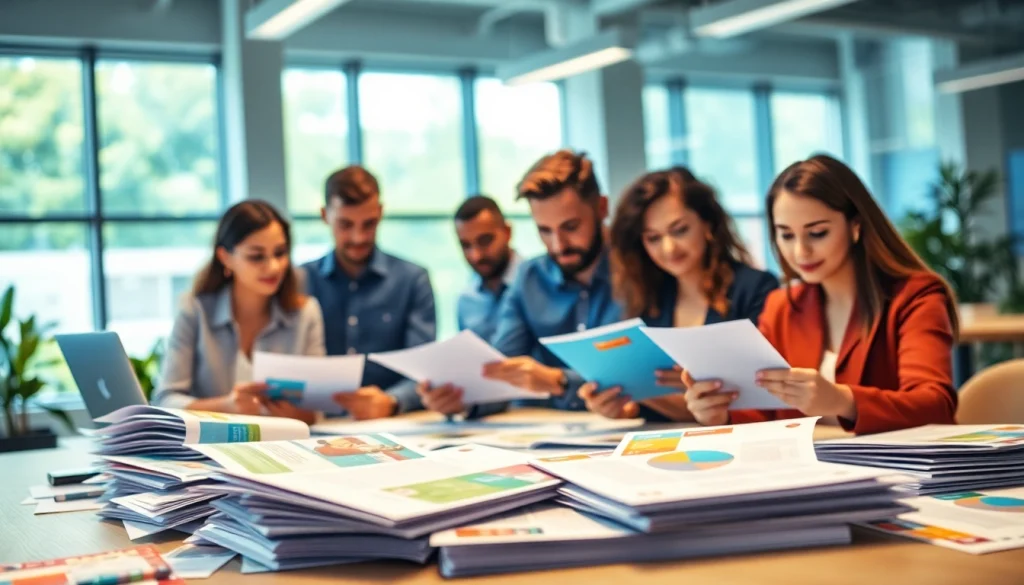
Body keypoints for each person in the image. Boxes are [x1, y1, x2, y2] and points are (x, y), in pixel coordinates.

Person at [684, 154, 959, 434]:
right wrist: (720, 415)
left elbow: (935, 406)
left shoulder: (916, 296)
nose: (801, 252)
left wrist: (843, 400)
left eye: (817, 233)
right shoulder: (782, 306)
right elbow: (765, 413)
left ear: (856, 226)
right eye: (787, 235)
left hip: (902, 468)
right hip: (810, 469)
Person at [417, 150, 619, 416]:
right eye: (544, 230)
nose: (558, 245)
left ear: (602, 208)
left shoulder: (640, 271)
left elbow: (649, 377)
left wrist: (558, 381)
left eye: (570, 227)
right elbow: (500, 368)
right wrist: (463, 400)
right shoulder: (529, 278)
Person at [580, 167, 779, 421]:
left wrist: (655, 395)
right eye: (653, 238)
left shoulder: (755, 288)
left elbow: (762, 397)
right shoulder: (649, 295)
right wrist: (624, 407)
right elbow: (651, 399)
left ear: (707, 223)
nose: (669, 248)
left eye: (679, 230)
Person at [152, 200, 325, 424]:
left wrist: (295, 412)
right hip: (211, 447)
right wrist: (226, 407)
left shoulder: (305, 313)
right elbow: (164, 401)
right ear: (225, 257)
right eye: (256, 256)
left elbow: (318, 410)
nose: (273, 267)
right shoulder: (195, 311)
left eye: (280, 253)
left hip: (283, 446)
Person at [302, 165, 436, 420]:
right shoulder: (300, 281)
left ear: (381, 213)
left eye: (369, 223)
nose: (358, 237)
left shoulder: (412, 280)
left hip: (393, 421)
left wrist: (392, 401)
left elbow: (422, 371)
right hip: (315, 421)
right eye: (345, 224)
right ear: (324, 215)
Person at [453, 195, 521, 342]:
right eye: (466, 245)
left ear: (507, 232)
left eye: (485, 241)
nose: (476, 256)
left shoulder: (540, 284)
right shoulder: (466, 300)